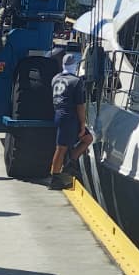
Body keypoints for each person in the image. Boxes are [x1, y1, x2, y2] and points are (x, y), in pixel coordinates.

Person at [49, 51, 93, 189]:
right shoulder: (76, 81)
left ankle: (70, 163)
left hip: (59, 114)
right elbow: (80, 106)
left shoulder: (55, 78)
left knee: (88, 138)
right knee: (61, 148)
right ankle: (55, 177)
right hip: (69, 117)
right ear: (75, 65)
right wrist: (82, 124)